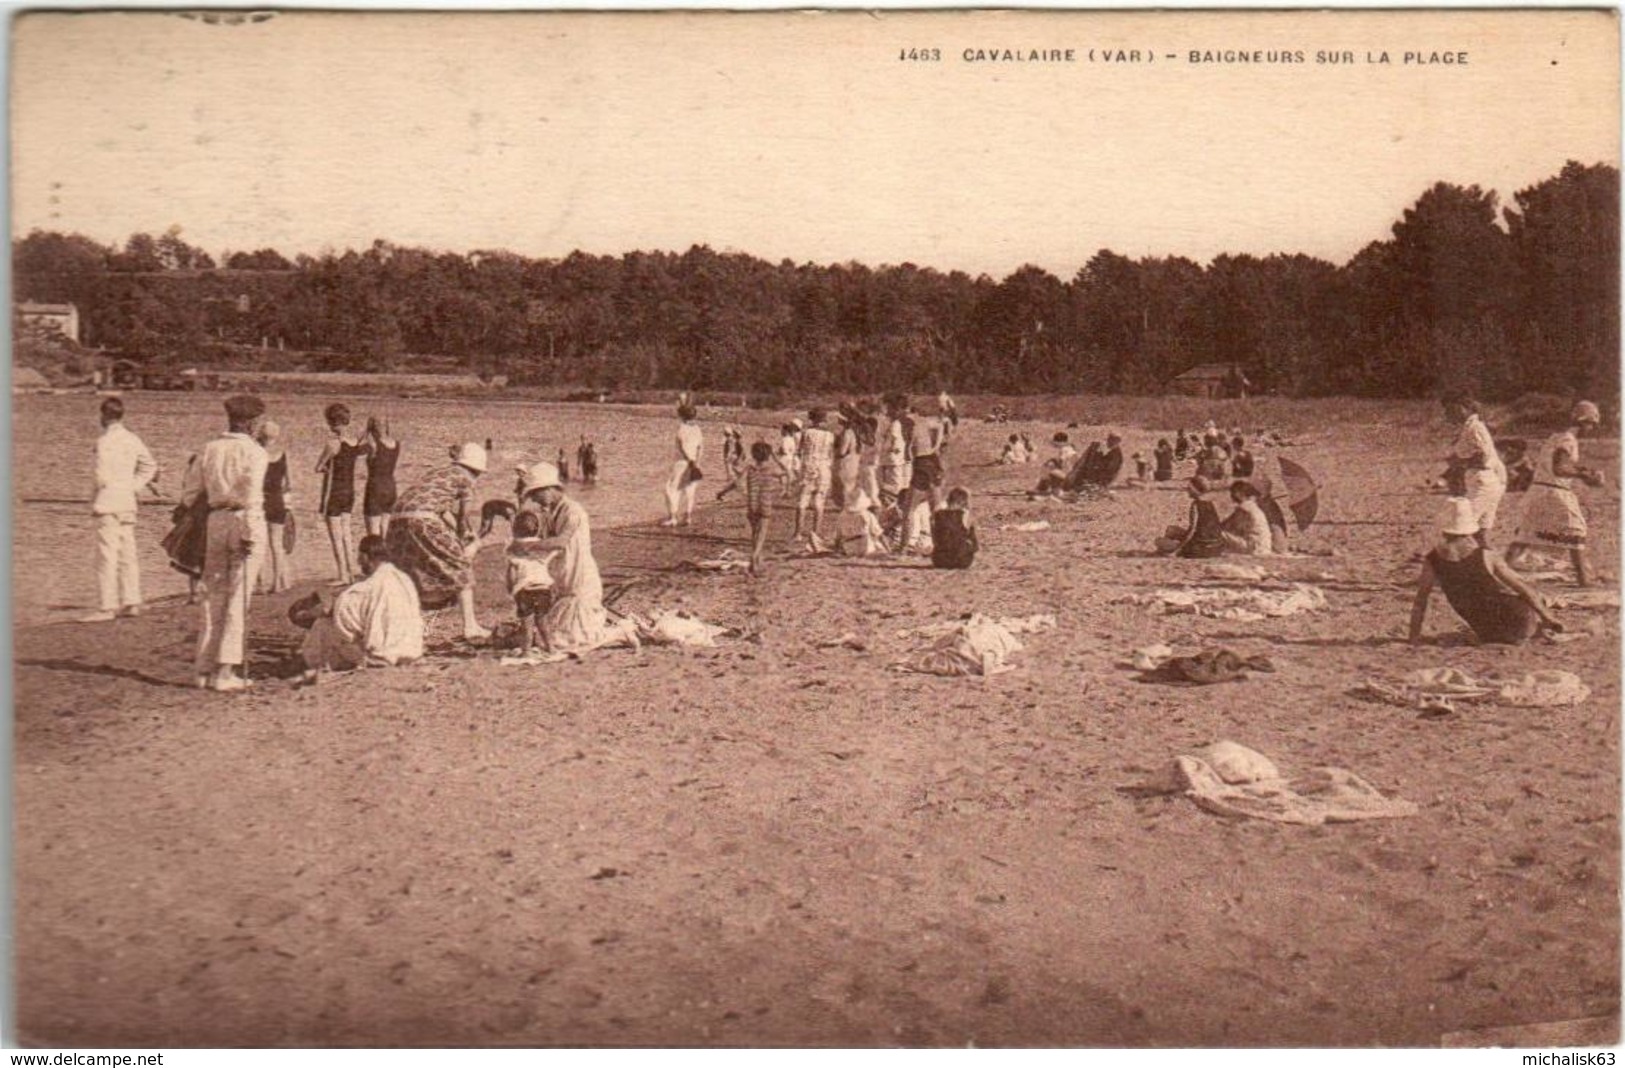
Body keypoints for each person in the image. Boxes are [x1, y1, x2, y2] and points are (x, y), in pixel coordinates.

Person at [185, 394, 270, 692]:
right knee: (238, 597)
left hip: (215, 520)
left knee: (212, 595)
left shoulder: (208, 448)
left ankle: (202, 669)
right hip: (244, 519)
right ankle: (225, 670)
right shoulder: (256, 453)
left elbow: (190, 493)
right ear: (251, 422)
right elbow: (252, 495)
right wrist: (248, 531)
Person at [509, 462, 638, 652]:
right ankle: (610, 630)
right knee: (553, 636)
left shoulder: (573, 511)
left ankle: (620, 633)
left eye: (536, 494)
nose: (535, 500)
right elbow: (540, 536)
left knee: (574, 640)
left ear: (550, 489)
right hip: (565, 578)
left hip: (581, 578)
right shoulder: (551, 511)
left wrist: (526, 545)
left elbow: (560, 542)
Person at [1410, 498, 1562, 646]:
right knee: (1526, 596)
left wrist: (1414, 635)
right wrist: (1548, 616)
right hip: (1520, 621)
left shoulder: (1432, 560)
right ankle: (1540, 628)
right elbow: (1522, 587)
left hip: (1486, 632)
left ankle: (1536, 631)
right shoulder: (1486, 555)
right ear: (1469, 530)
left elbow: (1421, 600)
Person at [386, 442, 491, 641]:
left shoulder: (439, 473)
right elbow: (462, 514)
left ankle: (406, 626)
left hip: (397, 518)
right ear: (477, 470)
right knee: (460, 564)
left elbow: (440, 509)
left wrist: (461, 533)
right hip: (423, 519)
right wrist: (465, 537)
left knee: (409, 572)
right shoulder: (466, 479)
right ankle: (470, 626)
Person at [1507, 400, 1607, 586]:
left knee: (1525, 535)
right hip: (1554, 492)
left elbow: (1557, 464)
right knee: (1576, 530)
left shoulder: (1556, 437)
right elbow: (1559, 468)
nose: (1591, 429)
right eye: (1591, 424)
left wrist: (1580, 469)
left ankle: (1501, 571)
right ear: (1584, 422)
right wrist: (1584, 475)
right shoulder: (1569, 440)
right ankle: (1584, 579)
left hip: (1537, 490)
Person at [296, 535, 424, 679]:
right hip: (412, 650)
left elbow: (338, 615)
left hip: (382, 656)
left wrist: (309, 614)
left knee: (323, 626)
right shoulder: (404, 579)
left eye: (359, 557)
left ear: (365, 557)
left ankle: (314, 663)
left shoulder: (367, 588)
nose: (358, 562)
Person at [84, 396, 159, 622]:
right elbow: (150, 466)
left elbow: (100, 475)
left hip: (108, 501)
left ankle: (107, 606)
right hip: (127, 501)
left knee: (106, 555)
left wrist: (96, 498)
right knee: (128, 554)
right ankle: (131, 600)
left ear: (104, 416)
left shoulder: (103, 441)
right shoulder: (132, 439)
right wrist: (133, 486)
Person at [1442, 393, 1507, 548]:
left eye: (1452, 409)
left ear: (1465, 408)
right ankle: (1484, 561)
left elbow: (1482, 457)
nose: (1448, 413)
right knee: (1480, 530)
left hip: (1483, 479)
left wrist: (1459, 463)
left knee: (1462, 523)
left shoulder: (1474, 427)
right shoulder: (1470, 427)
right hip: (1485, 479)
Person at [718, 441, 788, 575]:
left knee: (755, 534)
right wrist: (776, 457)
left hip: (752, 505)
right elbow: (787, 471)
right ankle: (754, 557)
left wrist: (722, 492)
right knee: (761, 535)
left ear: (753, 455)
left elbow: (736, 483)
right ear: (768, 456)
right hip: (765, 504)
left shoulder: (749, 469)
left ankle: (756, 562)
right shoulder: (771, 469)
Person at [316, 402, 364, 584]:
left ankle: (343, 575)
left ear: (329, 422)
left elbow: (318, 467)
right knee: (346, 533)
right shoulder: (353, 443)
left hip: (334, 492)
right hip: (349, 491)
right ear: (347, 421)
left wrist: (325, 468)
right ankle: (351, 571)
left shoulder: (332, 444)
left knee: (336, 535)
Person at [507, 507, 557, 656]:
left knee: (526, 623)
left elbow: (511, 572)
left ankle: (527, 651)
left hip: (524, 589)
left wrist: (510, 588)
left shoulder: (514, 549)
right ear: (536, 529)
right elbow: (553, 557)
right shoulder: (542, 547)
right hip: (543, 587)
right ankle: (550, 647)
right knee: (543, 620)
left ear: (515, 530)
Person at [257, 420, 294, 593]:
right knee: (276, 545)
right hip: (277, 500)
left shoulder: (257, 453)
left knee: (258, 544)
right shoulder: (283, 454)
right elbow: (289, 483)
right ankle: (278, 583)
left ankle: (260, 583)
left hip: (260, 501)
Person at [793, 408, 837, 549]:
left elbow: (800, 451)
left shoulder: (806, 433)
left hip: (808, 466)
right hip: (824, 467)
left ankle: (798, 533)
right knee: (819, 501)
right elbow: (832, 453)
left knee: (803, 500)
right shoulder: (830, 435)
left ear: (811, 418)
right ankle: (815, 533)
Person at [1156, 477, 1228, 559]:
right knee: (1171, 529)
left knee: (1159, 541)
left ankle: (1174, 549)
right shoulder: (1210, 504)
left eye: (1189, 488)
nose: (1187, 490)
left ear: (1196, 490)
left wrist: (1178, 550)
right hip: (1215, 547)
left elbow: (1192, 530)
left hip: (1200, 548)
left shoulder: (1196, 505)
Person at [662, 404, 705, 527]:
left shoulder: (682, 428)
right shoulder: (697, 429)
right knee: (690, 489)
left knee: (671, 489)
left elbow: (682, 447)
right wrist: (697, 462)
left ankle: (673, 517)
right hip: (696, 462)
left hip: (682, 462)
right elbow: (701, 447)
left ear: (681, 416)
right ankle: (688, 516)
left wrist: (690, 460)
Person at [362, 415, 400, 538]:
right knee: (386, 529)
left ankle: (375, 556)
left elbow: (351, 449)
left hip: (375, 487)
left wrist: (365, 432)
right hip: (391, 486)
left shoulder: (372, 445)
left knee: (373, 534)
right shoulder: (396, 443)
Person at [1220, 480, 1274, 556]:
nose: (1231, 496)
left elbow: (1229, 524)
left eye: (1232, 493)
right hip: (1264, 547)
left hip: (1253, 548)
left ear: (1238, 493)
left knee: (1219, 534)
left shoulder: (1244, 508)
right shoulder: (1252, 506)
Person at [930, 487, 978, 570]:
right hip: (962, 561)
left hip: (940, 560)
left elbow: (934, 537)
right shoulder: (965, 514)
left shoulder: (937, 514)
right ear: (964, 501)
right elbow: (974, 541)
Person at [833, 410, 861, 511]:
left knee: (844, 483)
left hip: (847, 461)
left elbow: (842, 451)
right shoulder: (853, 432)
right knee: (849, 483)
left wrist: (834, 452)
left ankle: (845, 506)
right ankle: (848, 505)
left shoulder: (847, 433)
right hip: (854, 459)